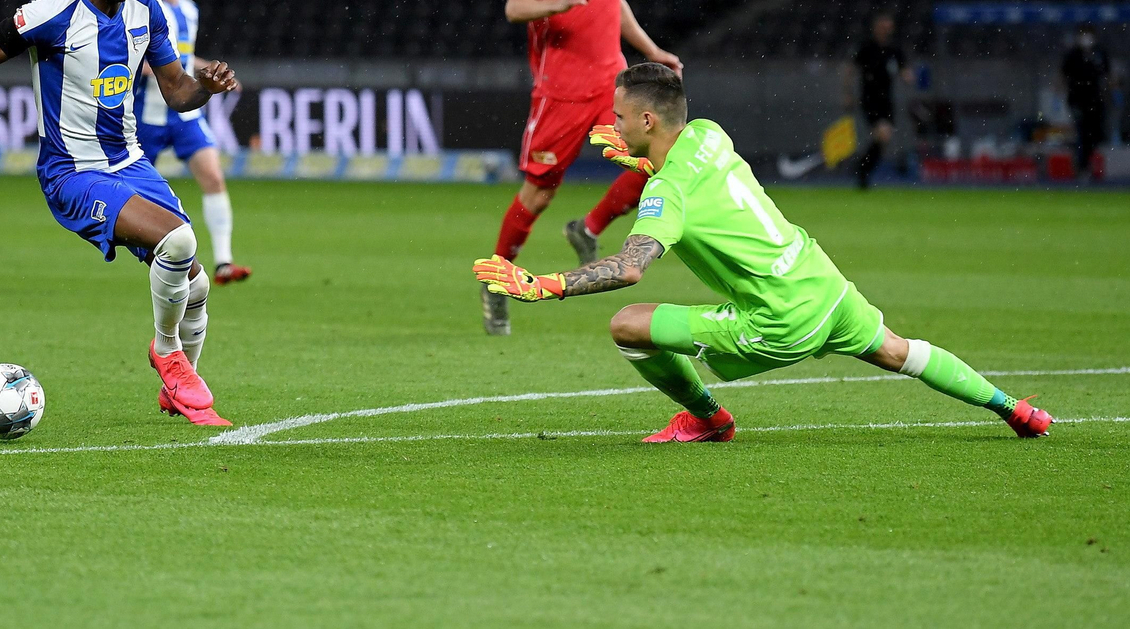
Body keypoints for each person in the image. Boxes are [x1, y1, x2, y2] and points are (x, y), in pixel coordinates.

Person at [474, 63, 1053, 442]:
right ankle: (1015, 410)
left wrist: (545, 285)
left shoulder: (665, 194)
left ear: (647, 120)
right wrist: (640, 156)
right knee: (897, 350)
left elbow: (629, 268)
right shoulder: (709, 133)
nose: (614, 125)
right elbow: (689, 172)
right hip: (820, 282)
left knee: (628, 325)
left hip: (779, 318)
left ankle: (709, 420)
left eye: (620, 118)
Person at [0, 0, 240, 426]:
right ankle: (167, 352)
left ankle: (178, 389)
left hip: (130, 161)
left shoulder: (147, 8)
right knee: (179, 240)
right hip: (72, 173)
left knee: (197, 285)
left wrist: (205, 88)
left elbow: (176, 90)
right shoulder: (52, 14)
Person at [488, 0, 682, 336]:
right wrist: (560, 1)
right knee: (539, 194)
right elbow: (514, 6)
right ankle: (497, 280)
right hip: (560, 92)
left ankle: (589, 228)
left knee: (655, 165)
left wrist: (652, 51)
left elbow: (615, 4)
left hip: (612, 87)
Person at [134, 0, 251, 284]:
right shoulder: (141, 10)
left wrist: (211, 70)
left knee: (213, 176)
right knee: (135, 195)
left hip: (185, 114)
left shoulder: (190, 10)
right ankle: (156, 257)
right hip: (147, 116)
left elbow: (182, 57)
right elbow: (132, 59)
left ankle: (224, 262)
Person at [843, 12, 912, 189]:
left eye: (888, 27)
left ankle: (863, 169)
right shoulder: (866, 47)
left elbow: (905, 70)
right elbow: (850, 70)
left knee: (883, 139)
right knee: (883, 134)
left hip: (887, 101)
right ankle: (862, 169)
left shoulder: (894, 49)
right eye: (883, 27)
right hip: (870, 99)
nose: (886, 30)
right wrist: (848, 94)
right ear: (876, 27)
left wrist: (908, 76)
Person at [1061, 24, 1111, 179]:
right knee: (1082, 133)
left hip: (1095, 101)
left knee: (1095, 134)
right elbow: (1064, 75)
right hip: (1077, 100)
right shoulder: (1073, 55)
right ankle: (1081, 166)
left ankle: (1086, 162)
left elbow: (1106, 74)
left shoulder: (1099, 53)